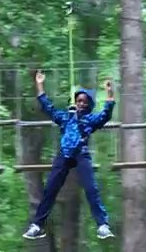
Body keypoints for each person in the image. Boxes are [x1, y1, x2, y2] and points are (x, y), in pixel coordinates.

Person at [22, 71, 115, 241]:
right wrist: (40, 84)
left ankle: (102, 224)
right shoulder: (65, 117)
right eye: (78, 101)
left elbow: (106, 115)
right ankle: (37, 225)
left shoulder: (90, 119)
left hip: (81, 154)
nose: (80, 104)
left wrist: (109, 94)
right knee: (50, 189)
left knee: (91, 188)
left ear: (88, 105)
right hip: (63, 155)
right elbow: (47, 107)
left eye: (84, 102)